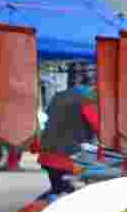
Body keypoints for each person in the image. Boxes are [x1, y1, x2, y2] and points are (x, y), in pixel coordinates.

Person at [38, 68, 94, 196]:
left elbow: (50, 116)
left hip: (47, 153)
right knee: (67, 194)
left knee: (59, 190)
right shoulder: (87, 100)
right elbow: (99, 126)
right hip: (67, 157)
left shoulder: (59, 96)